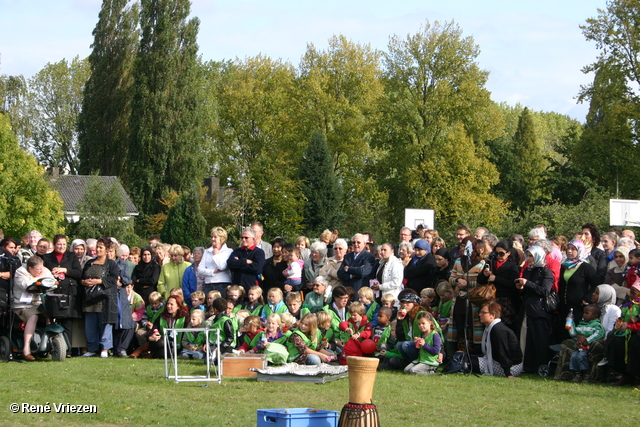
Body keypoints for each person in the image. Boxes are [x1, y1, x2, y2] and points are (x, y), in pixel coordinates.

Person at [515, 246, 554, 373]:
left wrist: (527, 283)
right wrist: (521, 287)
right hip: (527, 308)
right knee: (524, 337)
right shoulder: (528, 270)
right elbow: (528, 291)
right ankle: (524, 365)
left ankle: (539, 366)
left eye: (531, 256)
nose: (528, 259)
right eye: (528, 256)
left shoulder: (546, 272)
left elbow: (544, 291)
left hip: (539, 310)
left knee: (538, 339)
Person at [42, 234, 83, 350]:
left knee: (67, 322)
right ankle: (51, 348)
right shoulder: (47, 258)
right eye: (59, 244)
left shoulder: (72, 256)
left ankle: (67, 349)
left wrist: (65, 270)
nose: (61, 246)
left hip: (68, 293)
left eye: (64, 244)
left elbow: (79, 274)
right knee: (51, 320)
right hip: (53, 293)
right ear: (54, 245)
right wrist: (51, 274)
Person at [81, 237, 120, 358]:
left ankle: (105, 348)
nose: (98, 249)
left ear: (107, 249)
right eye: (97, 247)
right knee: (90, 325)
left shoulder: (111, 264)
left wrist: (98, 281)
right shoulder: (89, 262)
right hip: (90, 299)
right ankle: (92, 348)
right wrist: (84, 282)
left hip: (105, 299)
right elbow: (82, 277)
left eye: (101, 247)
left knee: (105, 324)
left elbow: (114, 278)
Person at [12, 256, 54, 360]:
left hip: (40, 303)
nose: (41, 271)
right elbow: (28, 285)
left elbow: (52, 283)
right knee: (34, 315)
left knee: (51, 312)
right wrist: (42, 279)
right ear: (30, 269)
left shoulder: (43, 270)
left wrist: (41, 279)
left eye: (41, 268)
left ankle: (51, 342)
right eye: (38, 269)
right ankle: (26, 349)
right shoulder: (20, 272)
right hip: (22, 305)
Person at [558, 239, 599, 341]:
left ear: (580, 250)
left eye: (573, 249)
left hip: (578, 307)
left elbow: (596, 284)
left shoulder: (586, 267)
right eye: (568, 249)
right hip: (564, 306)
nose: (569, 251)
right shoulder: (564, 266)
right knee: (562, 333)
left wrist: (587, 298)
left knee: (574, 333)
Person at [477, 239, 520, 334]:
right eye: (496, 253)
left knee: (504, 327)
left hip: (505, 301)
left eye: (501, 253)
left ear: (508, 253)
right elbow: (479, 281)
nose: (498, 256)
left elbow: (513, 284)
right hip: (491, 298)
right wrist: (484, 274)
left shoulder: (512, 266)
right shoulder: (491, 263)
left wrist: (496, 279)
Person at [474, 301, 523, 378]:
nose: (480, 315)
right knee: (465, 359)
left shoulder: (498, 330)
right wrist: (465, 352)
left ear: (492, 315)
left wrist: (508, 374)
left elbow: (503, 351)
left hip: (511, 367)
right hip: (500, 362)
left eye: (483, 312)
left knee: (468, 363)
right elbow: (485, 348)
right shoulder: (489, 328)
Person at [147, 295, 191, 359]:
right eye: (168, 304)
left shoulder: (185, 317)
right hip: (163, 343)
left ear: (178, 306)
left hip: (178, 345)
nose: (168, 306)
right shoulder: (162, 316)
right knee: (162, 343)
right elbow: (154, 328)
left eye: (171, 304)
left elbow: (188, 333)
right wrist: (151, 337)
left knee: (163, 354)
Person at [227, 227, 266, 292]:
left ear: (253, 239)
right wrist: (245, 261)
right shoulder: (237, 251)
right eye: (242, 237)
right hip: (237, 288)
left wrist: (238, 263)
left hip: (251, 288)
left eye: (246, 238)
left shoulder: (259, 252)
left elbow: (257, 268)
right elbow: (230, 264)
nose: (243, 239)